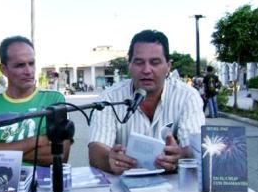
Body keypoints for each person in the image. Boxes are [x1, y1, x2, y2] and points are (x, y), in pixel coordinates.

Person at [88, 29, 205, 175]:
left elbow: (196, 148)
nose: (146, 70)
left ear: (168, 66)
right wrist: (109, 159)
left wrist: (179, 156)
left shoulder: (187, 97)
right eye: (139, 62)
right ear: (129, 65)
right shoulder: (109, 98)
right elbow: (96, 150)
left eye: (155, 62)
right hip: (122, 189)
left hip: (174, 190)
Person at [0, 35, 71, 166]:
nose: (29, 71)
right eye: (20, 65)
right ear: (4, 69)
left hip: (43, 183)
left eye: (31, 63)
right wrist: (34, 142)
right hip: (0, 182)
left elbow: (59, 155)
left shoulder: (54, 99)